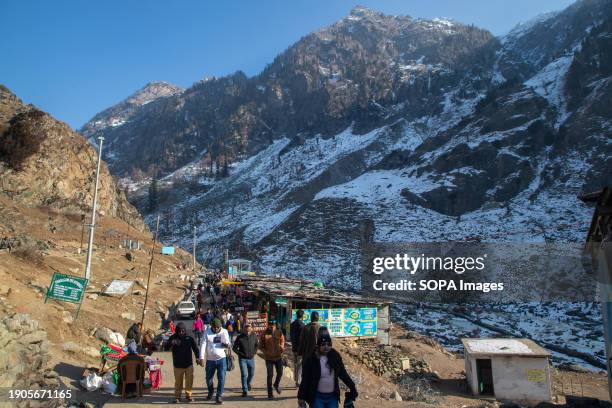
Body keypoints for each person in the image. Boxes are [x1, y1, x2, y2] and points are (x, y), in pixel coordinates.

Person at [298, 328, 358, 408]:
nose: (326, 347)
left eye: (328, 344)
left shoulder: (335, 357)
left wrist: (352, 387)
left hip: (332, 397)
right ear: (318, 345)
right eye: (323, 344)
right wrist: (301, 397)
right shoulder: (312, 359)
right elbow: (305, 379)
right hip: (317, 397)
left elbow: (343, 374)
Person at [199, 318, 230, 404]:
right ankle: (211, 391)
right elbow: (203, 345)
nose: (216, 328)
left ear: (220, 326)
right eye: (214, 327)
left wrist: (226, 344)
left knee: (221, 378)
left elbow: (228, 343)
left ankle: (219, 396)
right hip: (210, 360)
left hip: (222, 359)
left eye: (217, 327)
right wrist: (201, 358)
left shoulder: (224, 331)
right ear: (211, 326)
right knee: (208, 379)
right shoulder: (207, 332)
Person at [168, 322, 200, 403]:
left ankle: (188, 396)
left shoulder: (190, 336)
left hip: (188, 364)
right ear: (176, 331)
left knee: (189, 381)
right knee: (178, 382)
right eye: (179, 331)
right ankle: (177, 397)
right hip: (177, 365)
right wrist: (171, 343)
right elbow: (165, 347)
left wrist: (198, 357)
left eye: (183, 331)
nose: (181, 333)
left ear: (185, 330)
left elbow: (195, 348)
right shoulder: (173, 337)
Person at [232, 323, 258, 397]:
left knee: (251, 374)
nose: (247, 331)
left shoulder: (254, 336)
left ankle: (248, 383)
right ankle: (245, 390)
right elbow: (234, 348)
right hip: (242, 359)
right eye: (246, 329)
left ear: (251, 329)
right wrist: (240, 354)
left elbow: (256, 345)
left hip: (251, 358)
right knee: (244, 374)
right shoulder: (240, 337)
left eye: (249, 329)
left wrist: (254, 352)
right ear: (244, 330)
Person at [260, 323, 285, 399]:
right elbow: (260, 345)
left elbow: (282, 340)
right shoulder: (264, 334)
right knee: (270, 375)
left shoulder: (279, 332)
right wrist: (265, 352)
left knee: (280, 372)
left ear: (275, 326)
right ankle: (270, 394)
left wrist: (282, 347)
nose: (271, 327)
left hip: (278, 357)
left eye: (273, 325)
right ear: (268, 326)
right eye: (270, 325)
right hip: (269, 359)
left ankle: (276, 384)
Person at [290, 309, 306, 387]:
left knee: (295, 364)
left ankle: (296, 380)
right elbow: (302, 338)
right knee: (299, 365)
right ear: (302, 316)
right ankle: (298, 381)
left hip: (294, 348)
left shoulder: (292, 324)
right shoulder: (302, 325)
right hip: (300, 349)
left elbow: (291, 336)